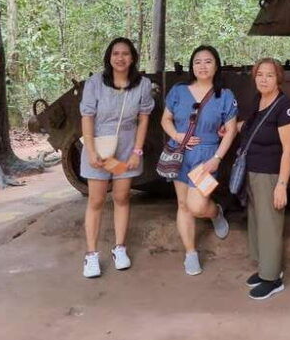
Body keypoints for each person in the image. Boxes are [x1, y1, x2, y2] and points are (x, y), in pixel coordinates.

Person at [80, 37, 155, 278]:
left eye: (125, 54)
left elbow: (144, 119)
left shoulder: (142, 85)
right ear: (109, 57)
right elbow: (87, 117)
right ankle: (91, 255)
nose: (120, 58)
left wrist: (137, 151)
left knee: (122, 197)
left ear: (132, 58)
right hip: (99, 146)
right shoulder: (95, 83)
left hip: (127, 146)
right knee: (97, 200)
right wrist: (90, 150)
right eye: (116, 53)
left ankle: (119, 248)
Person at [161, 45, 237, 275]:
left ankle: (215, 213)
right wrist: (176, 135)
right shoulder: (178, 90)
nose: (202, 66)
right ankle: (191, 253)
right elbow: (166, 119)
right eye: (198, 62)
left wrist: (217, 158)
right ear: (191, 66)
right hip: (180, 152)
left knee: (197, 205)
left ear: (216, 66)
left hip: (207, 156)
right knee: (183, 204)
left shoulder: (224, 95)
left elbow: (231, 130)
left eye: (208, 61)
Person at [239, 58, 290, 300]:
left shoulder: (285, 107)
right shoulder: (260, 100)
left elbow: (289, 149)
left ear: (278, 79)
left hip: (270, 174)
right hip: (252, 171)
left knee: (270, 225)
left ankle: (273, 279)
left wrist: (281, 185)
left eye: (269, 75)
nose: (263, 79)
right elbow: (252, 127)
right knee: (257, 222)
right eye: (259, 74)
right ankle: (265, 270)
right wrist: (232, 127)